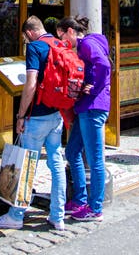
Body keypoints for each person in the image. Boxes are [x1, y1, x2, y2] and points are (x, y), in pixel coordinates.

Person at [0, 16, 67, 231]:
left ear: (29, 33)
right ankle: (57, 214)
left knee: (26, 164)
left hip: (37, 115)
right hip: (56, 115)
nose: (26, 41)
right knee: (56, 163)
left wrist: (21, 115)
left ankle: (16, 215)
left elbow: (31, 83)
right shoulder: (59, 44)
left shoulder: (35, 47)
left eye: (25, 37)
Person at [56, 15, 111, 222]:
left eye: (62, 36)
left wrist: (94, 89)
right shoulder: (88, 44)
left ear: (70, 31)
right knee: (72, 151)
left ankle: (95, 208)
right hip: (84, 108)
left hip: (93, 108)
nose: (63, 43)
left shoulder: (87, 43)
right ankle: (79, 199)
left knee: (96, 159)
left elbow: (104, 66)